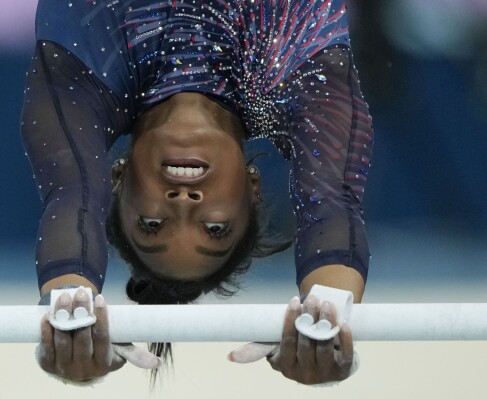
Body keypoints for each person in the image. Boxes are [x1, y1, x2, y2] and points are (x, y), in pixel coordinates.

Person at [21, 0, 373, 386]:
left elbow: (72, 194)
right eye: (216, 228)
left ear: (116, 180)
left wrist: (68, 315)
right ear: (253, 187)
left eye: (152, 224)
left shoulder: (86, 72)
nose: (185, 203)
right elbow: (330, 202)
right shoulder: (296, 72)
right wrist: (328, 318)